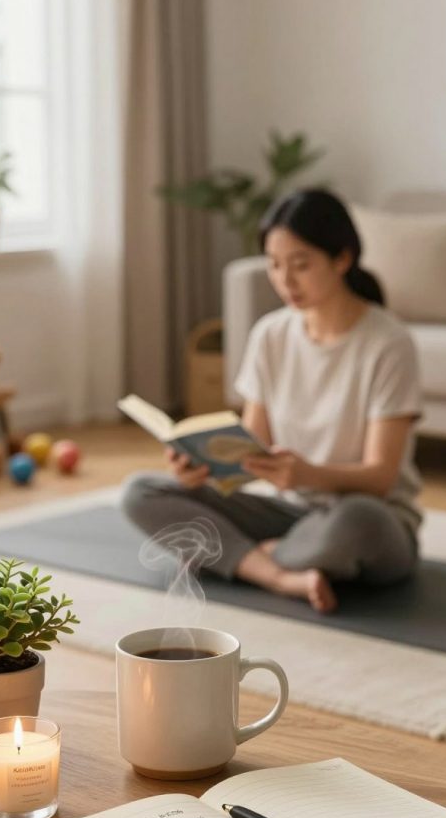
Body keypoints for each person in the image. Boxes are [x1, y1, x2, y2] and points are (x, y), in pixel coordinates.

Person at [122, 188, 422, 614]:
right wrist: (201, 470)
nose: (285, 280)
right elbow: (251, 447)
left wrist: (307, 474)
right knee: (140, 492)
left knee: (358, 522)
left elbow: (381, 478)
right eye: (275, 265)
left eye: (301, 265)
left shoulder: (389, 344)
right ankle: (281, 573)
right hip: (290, 515)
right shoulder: (270, 334)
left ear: (342, 259)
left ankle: (241, 557)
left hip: (372, 521)